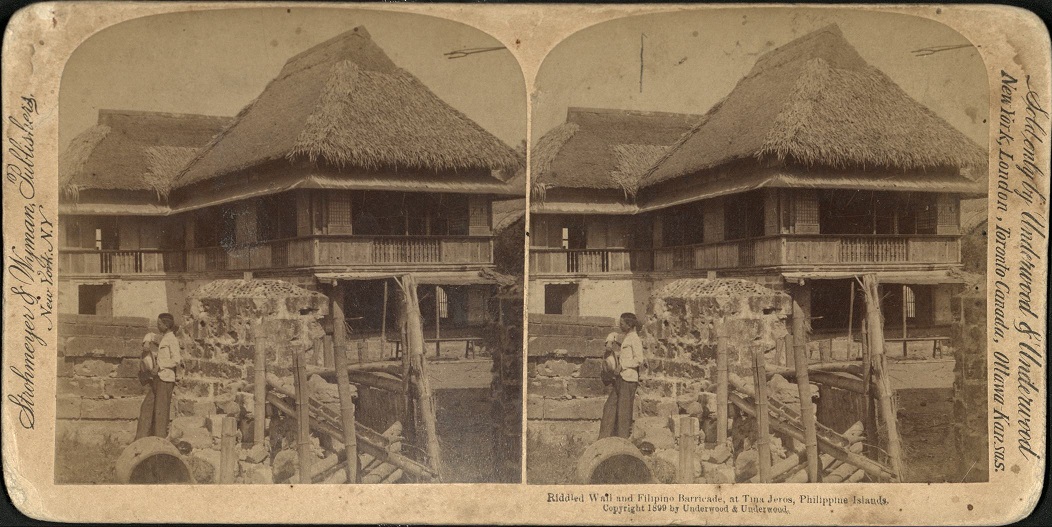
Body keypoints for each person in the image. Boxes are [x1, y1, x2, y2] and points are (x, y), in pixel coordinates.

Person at [135, 313, 182, 440]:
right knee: (147, 407)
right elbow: (150, 335)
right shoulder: (163, 338)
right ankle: (140, 440)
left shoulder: (172, 340)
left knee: (161, 412)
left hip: (166, 379)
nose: (157, 326)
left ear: (166, 325)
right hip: (158, 379)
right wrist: (146, 342)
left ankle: (159, 442)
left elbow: (176, 360)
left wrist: (160, 366)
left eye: (159, 324)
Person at [599, 312, 644, 439]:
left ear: (629, 325)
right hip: (620, 379)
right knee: (609, 407)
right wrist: (609, 342)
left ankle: (622, 442)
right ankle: (604, 439)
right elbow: (613, 335)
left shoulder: (634, 339)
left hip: (629, 379)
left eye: (622, 324)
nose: (620, 326)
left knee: (623, 413)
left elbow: (639, 359)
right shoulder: (626, 337)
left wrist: (623, 365)